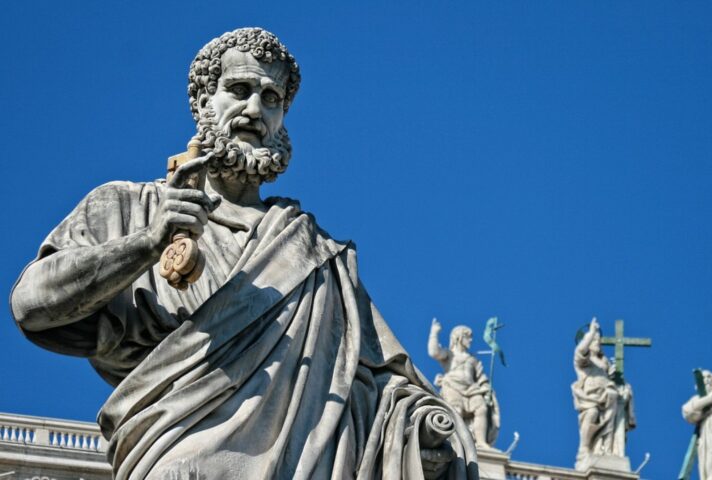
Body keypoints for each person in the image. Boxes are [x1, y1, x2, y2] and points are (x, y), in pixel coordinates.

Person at [10, 27, 476, 480]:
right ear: (203, 102)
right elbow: (31, 304)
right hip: (178, 456)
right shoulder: (130, 206)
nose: (255, 109)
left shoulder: (314, 252)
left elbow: (378, 384)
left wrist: (419, 430)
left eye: (272, 99)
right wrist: (148, 243)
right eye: (239, 90)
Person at [571, 318, 635, 469]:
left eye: (598, 341)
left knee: (609, 422)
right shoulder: (584, 361)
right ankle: (584, 448)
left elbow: (611, 379)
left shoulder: (604, 362)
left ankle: (605, 449)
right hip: (590, 397)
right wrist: (591, 333)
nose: (598, 343)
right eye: (594, 341)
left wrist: (613, 376)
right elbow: (579, 351)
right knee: (592, 413)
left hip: (607, 398)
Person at [428, 319, 500, 449]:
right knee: (456, 411)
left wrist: (486, 389)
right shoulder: (449, 354)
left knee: (482, 408)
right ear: (459, 337)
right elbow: (434, 352)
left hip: (472, 389)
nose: (471, 340)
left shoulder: (473, 360)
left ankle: (481, 442)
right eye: (468, 337)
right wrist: (434, 333)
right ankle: (456, 442)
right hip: (452, 386)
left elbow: (481, 378)